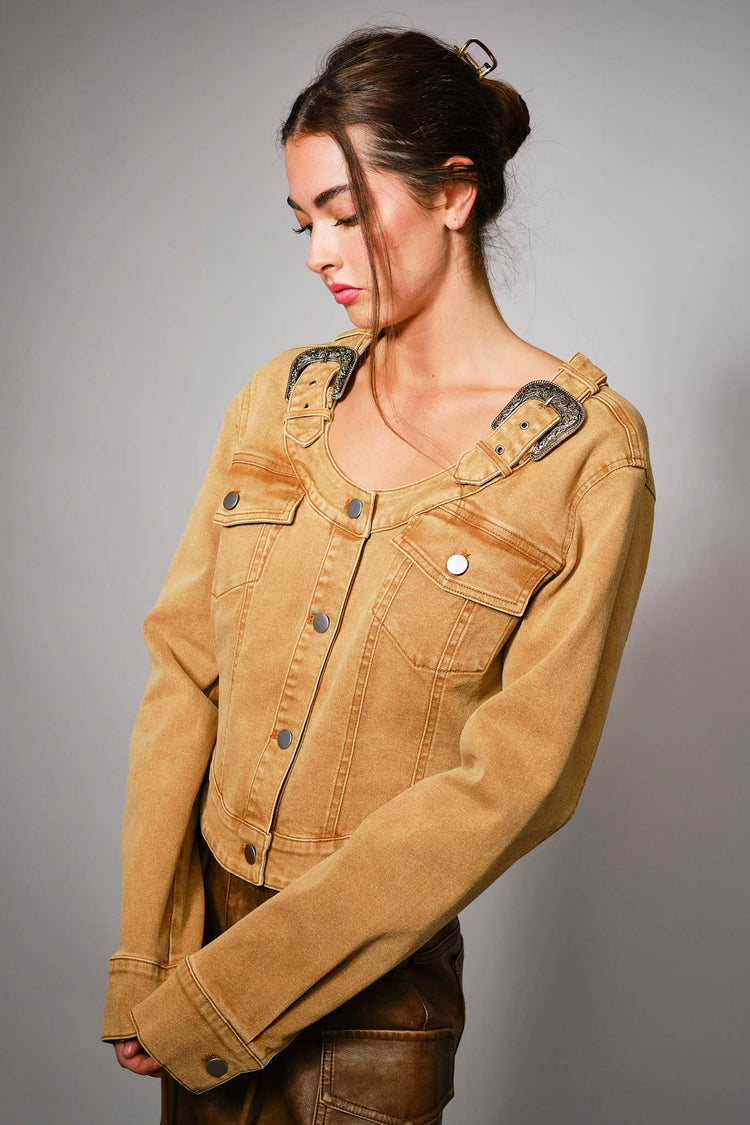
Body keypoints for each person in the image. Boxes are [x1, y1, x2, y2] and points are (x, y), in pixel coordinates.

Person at [101, 26, 656, 1124]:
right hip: (190, 965)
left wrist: (228, 997)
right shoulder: (278, 401)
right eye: (303, 222)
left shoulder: (589, 458)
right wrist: (148, 957)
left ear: (454, 193)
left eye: (346, 214)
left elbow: (519, 781)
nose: (318, 252)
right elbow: (183, 672)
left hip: (371, 1021)